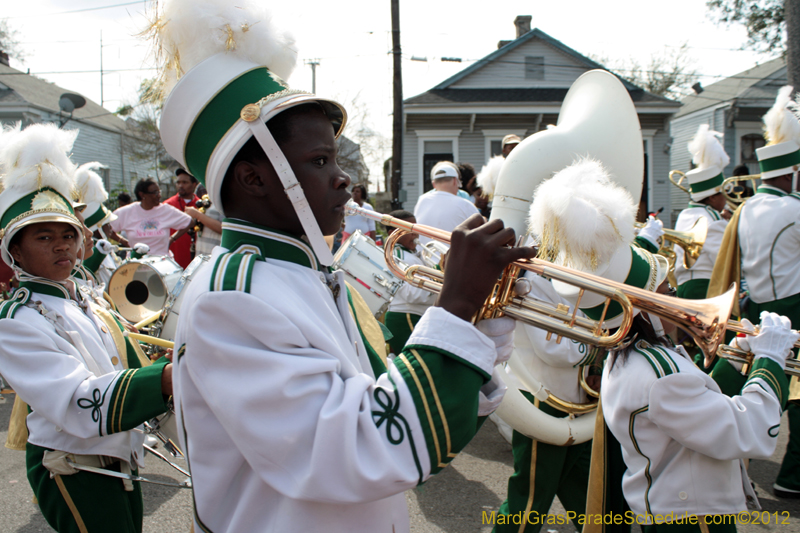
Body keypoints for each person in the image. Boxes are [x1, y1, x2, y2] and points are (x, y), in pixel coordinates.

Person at [148, 2, 534, 530]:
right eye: (319, 162)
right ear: (254, 180)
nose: (343, 179)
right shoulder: (232, 297)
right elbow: (356, 450)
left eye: (335, 160)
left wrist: (481, 318)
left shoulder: (312, 273)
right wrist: (456, 303)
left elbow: (388, 402)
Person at [537, 159, 796, 531]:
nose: (676, 296)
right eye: (667, 292)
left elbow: (703, 402)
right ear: (645, 309)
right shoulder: (660, 373)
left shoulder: (635, 358)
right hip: (695, 520)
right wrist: (770, 362)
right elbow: (745, 431)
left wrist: (741, 360)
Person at [0, 122, 173, 533]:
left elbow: (121, 365)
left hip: (117, 456)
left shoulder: (87, 299)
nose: (61, 245)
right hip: (73, 468)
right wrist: (164, 380)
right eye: (43, 237)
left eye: (68, 234)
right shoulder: (16, 322)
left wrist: (166, 360)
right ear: (15, 252)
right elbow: (78, 403)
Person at [711, 86, 800, 499]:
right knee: (795, 393)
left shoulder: (744, 210)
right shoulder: (794, 210)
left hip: (757, 305)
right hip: (793, 308)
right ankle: (793, 474)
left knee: (752, 382)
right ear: (793, 171)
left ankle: (720, 448)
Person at [673, 125, 729, 301]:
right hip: (705, 288)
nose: (726, 198)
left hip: (684, 287)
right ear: (712, 198)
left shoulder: (685, 214)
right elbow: (724, 261)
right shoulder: (711, 219)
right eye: (722, 193)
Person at [382, 210, 436, 354]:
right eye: (409, 229)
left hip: (412, 316)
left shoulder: (411, 254)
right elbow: (414, 295)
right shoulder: (398, 256)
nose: (415, 233)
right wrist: (438, 274)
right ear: (392, 233)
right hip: (406, 318)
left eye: (416, 228)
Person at [110, 178, 193, 258]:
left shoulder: (165, 210)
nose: (159, 196)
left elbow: (190, 222)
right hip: (136, 262)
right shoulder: (127, 212)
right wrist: (125, 242)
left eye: (159, 192)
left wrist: (172, 239)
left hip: (162, 262)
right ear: (142, 195)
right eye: (155, 193)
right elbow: (106, 228)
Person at [414, 161, 480, 245]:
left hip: (424, 256)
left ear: (434, 184)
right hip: (454, 257)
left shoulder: (421, 201)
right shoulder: (466, 204)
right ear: (455, 181)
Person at [164, 168, 201, 268]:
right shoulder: (167, 206)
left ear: (194, 184)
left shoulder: (202, 206)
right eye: (178, 182)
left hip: (196, 261)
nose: (180, 186)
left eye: (185, 182)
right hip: (172, 262)